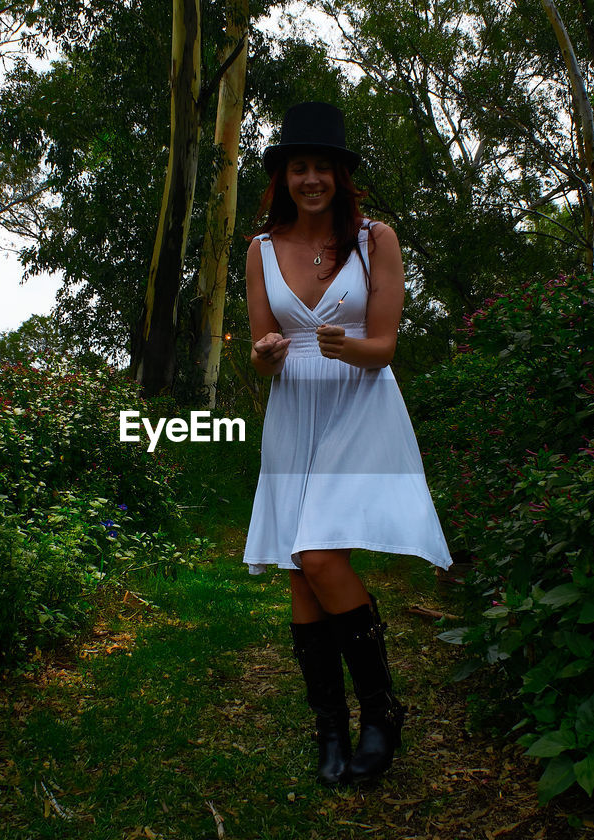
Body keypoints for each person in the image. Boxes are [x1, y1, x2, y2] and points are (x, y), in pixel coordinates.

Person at [241, 101, 452, 786]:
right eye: (298, 167)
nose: (311, 179)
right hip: (294, 407)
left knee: (316, 551)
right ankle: (329, 727)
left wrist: (347, 347)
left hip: (360, 401)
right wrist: (270, 354)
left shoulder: (375, 241)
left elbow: (385, 345)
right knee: (299, 569)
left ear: (339, 175)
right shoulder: (261, 250)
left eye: (321, 167)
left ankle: (381, 712)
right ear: (283, 177)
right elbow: (259, 349)